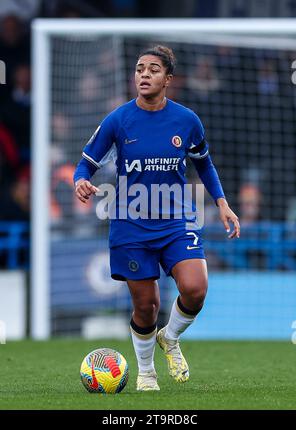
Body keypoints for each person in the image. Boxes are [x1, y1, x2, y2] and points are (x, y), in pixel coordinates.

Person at [73, 45, 240, 391]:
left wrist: (222, 203)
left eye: (152, 69)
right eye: (139, 69)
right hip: (131, 222)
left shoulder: (186, 120)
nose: (144, 75)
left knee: (195, 289)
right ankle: (147, 373)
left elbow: (203, 162)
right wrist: (80, 181)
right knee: (146, 305)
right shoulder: (118, 119)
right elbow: (86, 162)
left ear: (168, 79)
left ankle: (172, 337)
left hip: (176, 218)